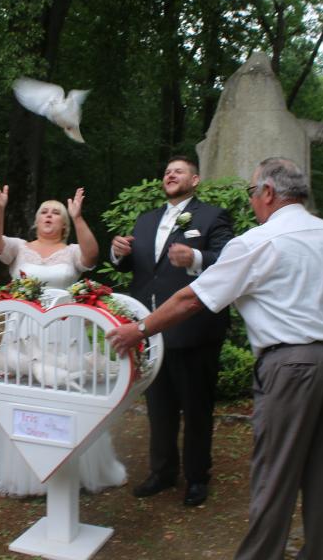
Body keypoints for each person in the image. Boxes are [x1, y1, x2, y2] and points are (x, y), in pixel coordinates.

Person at [108, 157, 323, 560]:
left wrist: (139, 330)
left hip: (291, 365)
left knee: (275, 473)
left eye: (252, 192)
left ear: (268, 193)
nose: (251, 201)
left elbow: (191, 299)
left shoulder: (259, 241)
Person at [0, 178, 127, 497]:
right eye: (44, 211)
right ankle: (25, 471)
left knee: (65, 390)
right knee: (24, 391)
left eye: (56, 213)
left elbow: (92, 256)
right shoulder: (19, 248)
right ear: (36, 220)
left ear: (64, 224)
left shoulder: (71, 252)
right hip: (22, 331)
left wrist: (79, 217)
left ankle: (72, 467)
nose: (49, 216)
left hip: (64, 331)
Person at [110, 155, 234, 507]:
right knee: (159, 407)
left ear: (195, 180)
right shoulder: (146, 219)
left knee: (196, 409)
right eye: (167, 171)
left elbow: (228, 258)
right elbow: (142, 269)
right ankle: (162, 472)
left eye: (178, 171)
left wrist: (195, 258)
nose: (170, 174)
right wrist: (119, 254)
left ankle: (197, 477)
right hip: (151, 331)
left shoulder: (213, 216)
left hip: (194, 328)